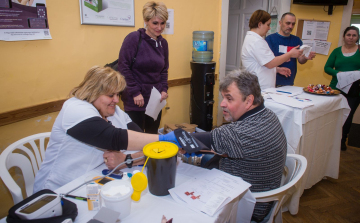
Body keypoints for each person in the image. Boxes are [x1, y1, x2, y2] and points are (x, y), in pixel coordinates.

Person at [164, 70, 287, 222]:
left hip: (250, 205)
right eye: (223, 97)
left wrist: (167, 139)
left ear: (248, 101)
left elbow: (198, 139)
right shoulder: (267, 114)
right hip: (261, 189)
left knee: (177, 194)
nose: (222, 104)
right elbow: (232, 147)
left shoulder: (241, 133)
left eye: (229, 98)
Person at [33, 66, 162, 192]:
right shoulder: (75, 108)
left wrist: (126, 159)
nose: (116, 100)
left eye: (118, 94)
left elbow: (144, 142)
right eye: (111, 95)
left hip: (93, 183)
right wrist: (164, 140)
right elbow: (113, 137)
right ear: (93, 92)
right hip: (59, 189)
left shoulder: (115, 111)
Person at [118, 1, 169, 134]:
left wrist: (164, 89)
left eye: (162, 23)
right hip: (136, 99)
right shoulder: (134, 38)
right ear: (146, 21)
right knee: (136, 137)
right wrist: (135, 92)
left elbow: (164, 70)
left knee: (152, 135)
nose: (159, 27)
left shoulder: (163, 43)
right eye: (155, 23)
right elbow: (123, 67)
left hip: (155, 99)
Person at [241, 9, 303, 90]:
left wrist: (277, 69)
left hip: (259, 86)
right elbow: (270, 63)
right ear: (260, 24)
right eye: (268, 25)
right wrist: (290, 54)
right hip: (259, 88)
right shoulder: (256, 41)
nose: (269, 28)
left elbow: (262, 64)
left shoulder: (254, 39)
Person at [324, 26, 360, 151]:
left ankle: (342, 140)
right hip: (336, 88)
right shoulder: (336, 51)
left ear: (357, 37)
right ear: (344, 36)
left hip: (354, 90)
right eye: (348, 35)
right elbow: (327, 68)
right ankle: (329, 139)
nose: (351, 37)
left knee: (348, 116)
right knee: (333, 114)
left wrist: (355, 73)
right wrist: (339, 73)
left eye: (354, 35)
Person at [265, 12, 316, 87]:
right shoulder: (270, 39)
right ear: (280, 23)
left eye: (293, 24)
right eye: (288, 23)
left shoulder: (296, 40)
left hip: (289, 82)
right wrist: (278, 69)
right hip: (271, 81)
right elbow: (266, 62)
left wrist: (305, 57)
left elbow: (300, 60)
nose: (290, 26)